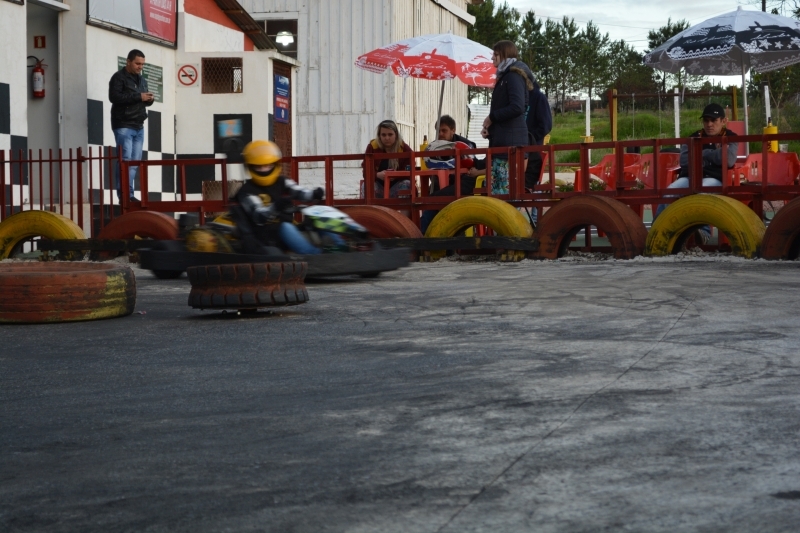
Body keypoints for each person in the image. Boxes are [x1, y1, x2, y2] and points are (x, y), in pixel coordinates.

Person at [654, 103, 738, 244]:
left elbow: (728, 159)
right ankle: (657, 231)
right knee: (669, 192)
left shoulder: (731, 137)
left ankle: (703, 233)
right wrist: (714, 155)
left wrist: (701, 154)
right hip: (690, 177)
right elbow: (684, 160)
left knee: (701, 193)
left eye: (714, 120)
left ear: (723, 121)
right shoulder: (693, 137)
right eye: (706, 120)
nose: (709, 124)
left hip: (715, 178)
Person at [233, 140, 329, 255]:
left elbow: (298, 191)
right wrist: (276, 206)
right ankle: (315, 255)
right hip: (264, 236)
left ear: (275, 165)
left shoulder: (282, 181)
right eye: (259, 167)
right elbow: (259, 216)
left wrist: (313, 194)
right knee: (285, 226)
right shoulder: (247, 191)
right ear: (250, 167)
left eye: (268, 166)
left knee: (318, 219)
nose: (264, 170)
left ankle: (338, 247)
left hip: (286, 229)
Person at [470, 40, 533, 195]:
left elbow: (517, 107)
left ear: (505, 55)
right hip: (505, 144)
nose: (492, 58)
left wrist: (492, 117)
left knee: (503, 194)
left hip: (509, 148)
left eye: (496, 54)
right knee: (499, 193)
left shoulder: (512, 76)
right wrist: (491, 129)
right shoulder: (506, 77)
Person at [108, 49, 154, 202]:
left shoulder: (142, 80)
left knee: (134, 163)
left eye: (142, 64)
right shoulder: (118, 77)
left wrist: (149, 99)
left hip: (138, 124)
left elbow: (142, 100)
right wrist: (139, 96)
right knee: (125, 160)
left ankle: (129, 195)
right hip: (123, 124)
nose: (140, 67)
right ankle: (124, 195)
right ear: (128, 62)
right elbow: (114, 97)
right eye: (137, 63)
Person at [419, 116, 477, 234]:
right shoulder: (434, 147)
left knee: (432, 200)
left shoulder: (465, 145)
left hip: (462, 183)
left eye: (444, 130)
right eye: (438, 131)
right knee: (426, 200)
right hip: (441, 184)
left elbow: (471, 164)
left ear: (453, 130)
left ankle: (422, 235)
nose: (440, 134)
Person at [361, 120, 413, 198]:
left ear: (396, 135)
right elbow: (365, 171)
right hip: (379, 186)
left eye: (390, 134)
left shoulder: (403, 148)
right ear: (379, 136)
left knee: (407, 184)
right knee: (366, 185)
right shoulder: (372, 147)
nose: (387, 138)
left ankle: (403, 207)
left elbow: (410, 170)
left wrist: (396, 175)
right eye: (383, 135)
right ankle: (370, 207)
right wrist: (377, 175)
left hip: (397, 186)